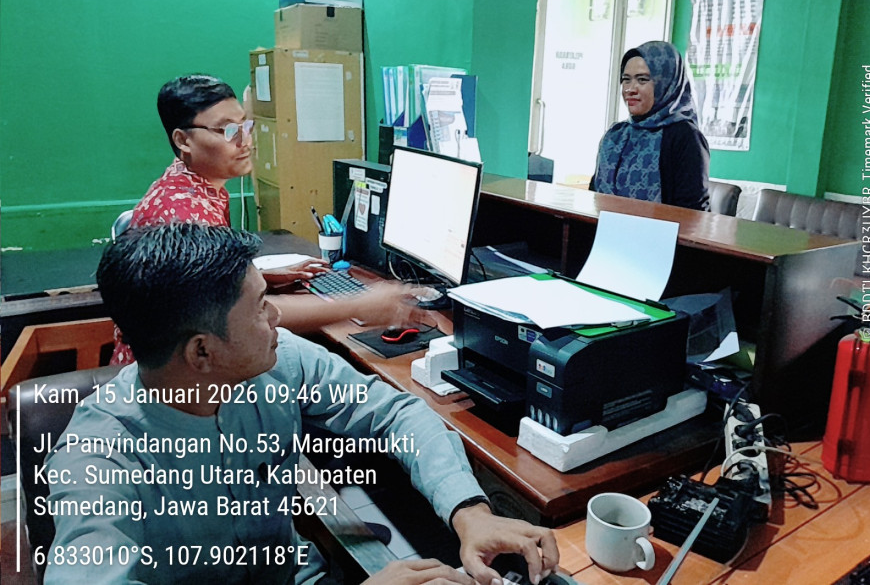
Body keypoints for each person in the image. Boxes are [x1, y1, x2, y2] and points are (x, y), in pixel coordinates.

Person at [45, 224, 559, 585]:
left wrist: (470, 514)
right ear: (202, 352)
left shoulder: (279, 361)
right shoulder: (98, 458)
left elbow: (396, 413)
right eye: (260, 307)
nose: (277, 317)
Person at [110, 74, 416, 365]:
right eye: (227, 130)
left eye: (246, 126)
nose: (245, 141)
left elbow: (194, 287)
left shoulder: (191, 183)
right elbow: (236, 316)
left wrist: (260, 276)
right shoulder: (186, 215)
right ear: (183, 140)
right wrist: (361, 305)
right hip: (177, 377)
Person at [591, 41, 710, 211]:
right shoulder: (615, 136)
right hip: (604, 226)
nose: (630, 89)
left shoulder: (684, 136)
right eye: (626, 80)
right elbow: (594, 197)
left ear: (666, 83)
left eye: (642, 80)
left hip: (665, 228)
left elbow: (692, 212)